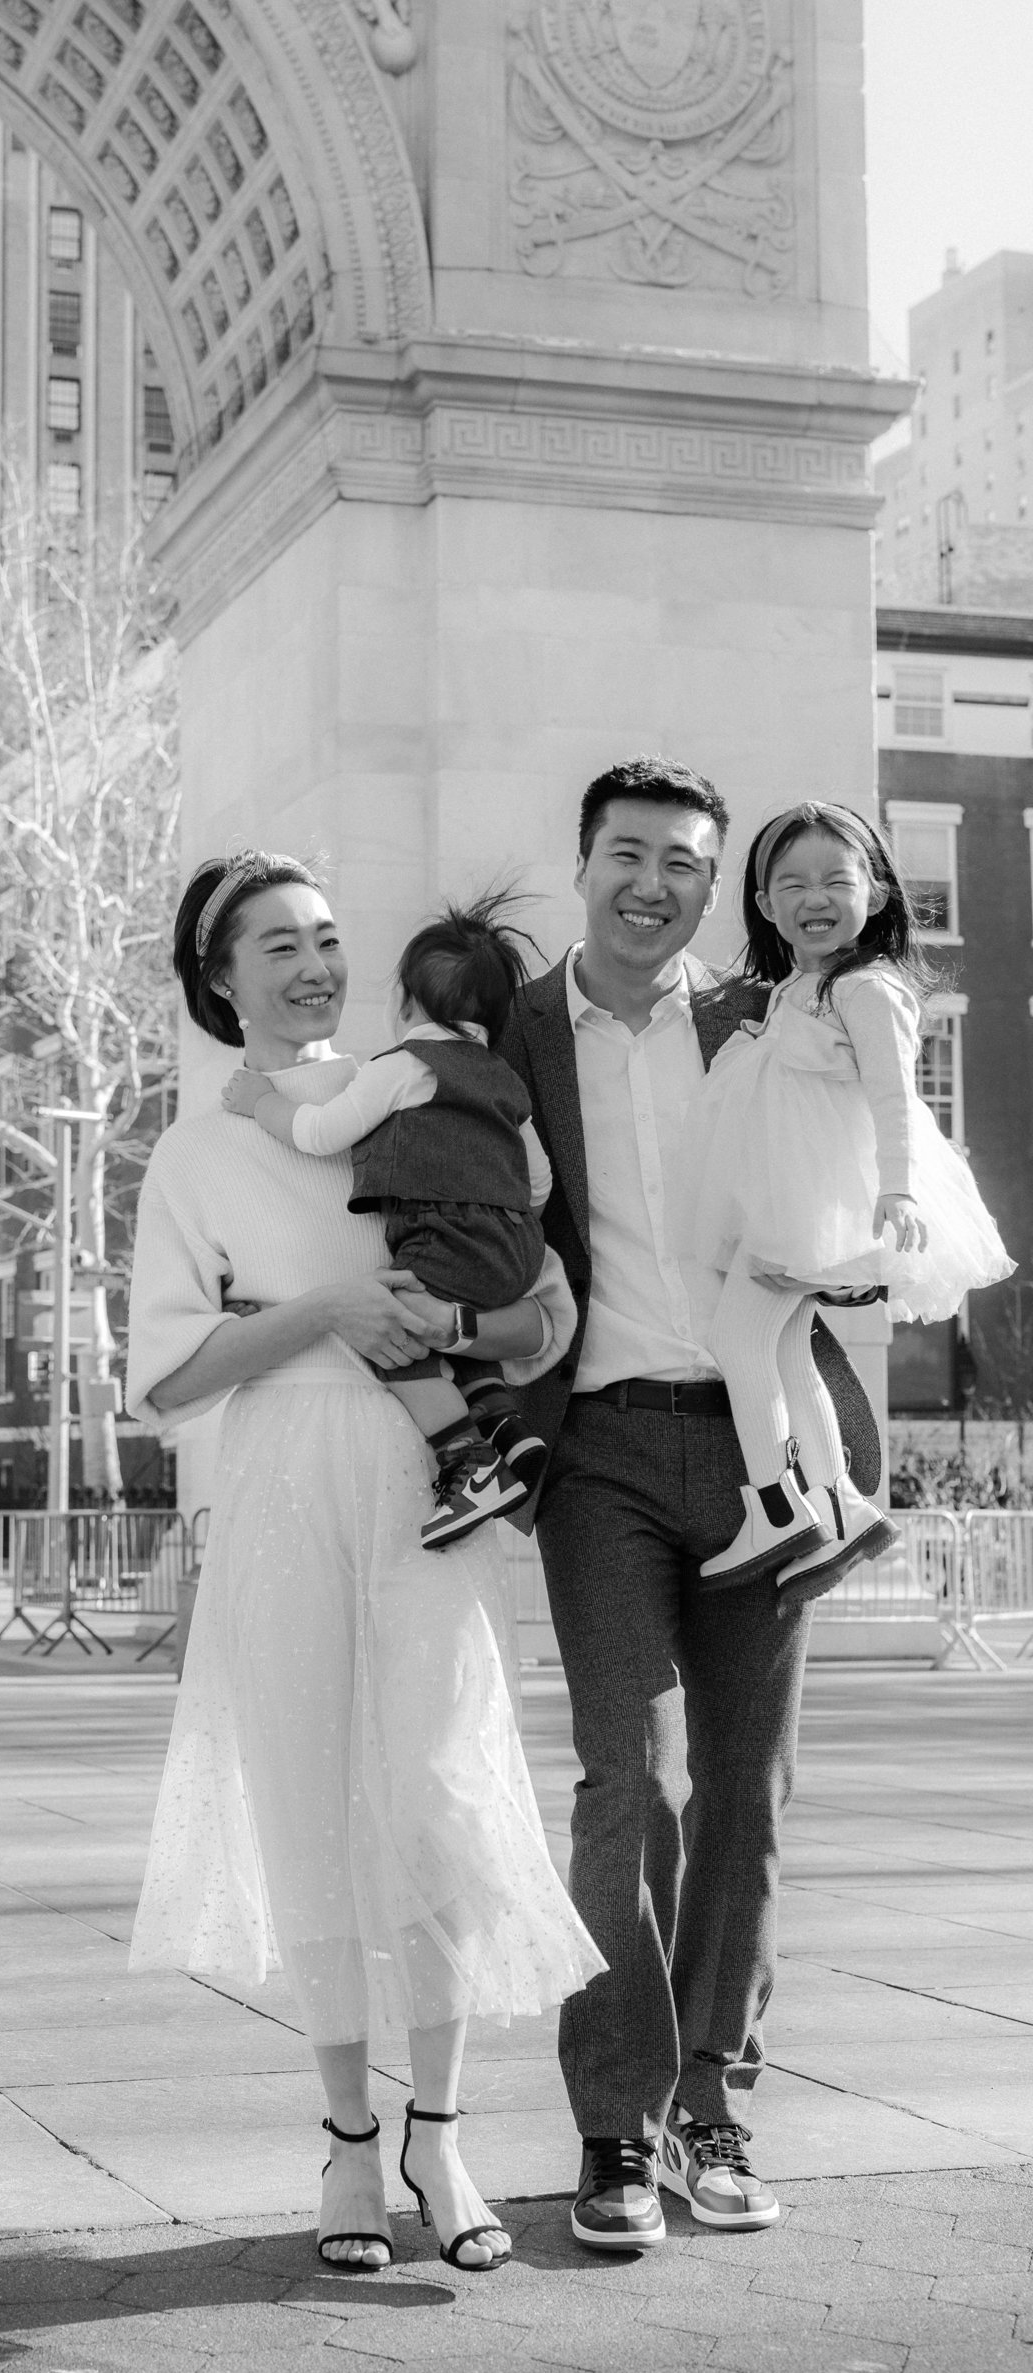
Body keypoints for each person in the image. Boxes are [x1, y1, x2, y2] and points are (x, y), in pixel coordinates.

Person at [127, 850, 606, 2276]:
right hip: (284, 1475)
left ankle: (441, 2135)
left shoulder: (429, 1083)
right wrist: (327, 1308)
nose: (311, 963)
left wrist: (453, 1336)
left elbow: (549, 1312)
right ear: (222, 979)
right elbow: (171, 1374)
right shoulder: (200, 1147)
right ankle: (347, 2141)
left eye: (328, 937)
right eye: (275, 945)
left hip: (428, 1479)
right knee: (309, 1801)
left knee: (440, 1788)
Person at [497, 760, 881, 2252]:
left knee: (745, 1790)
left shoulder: (760, 1016)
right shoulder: (513, 1033)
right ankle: (616, 2123)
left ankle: (714, 2102)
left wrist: (860, 1254)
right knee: (625, 1785)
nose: (658, 885)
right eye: (632, 856)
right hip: (596, 1455)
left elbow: (858, 1161)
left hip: (761, 1444)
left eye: (687, 866)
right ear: (585, 860)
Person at [680, 804, 1013, 1589]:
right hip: (784, 1195)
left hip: (810, 1200)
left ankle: (776, 1506)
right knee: (785, 1345)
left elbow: (898, 1098)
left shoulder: (867, 988)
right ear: (765, 904)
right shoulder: (804, 984)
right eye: (790, 884)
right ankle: (839, 1505)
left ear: (878, 893)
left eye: (837, 879)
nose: (814, 898)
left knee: (738, 1341)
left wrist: (898, 1190)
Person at [220, 894, 572, 1550]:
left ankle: (469, 1464)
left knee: (393, 1339)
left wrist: (263, 1100)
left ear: (406, 1002)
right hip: (517, 1248)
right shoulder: (504, 1081)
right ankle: (508, 1429)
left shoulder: (405, 1068)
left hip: (448, 1241)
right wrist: (503, 1218)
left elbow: (322, 1132)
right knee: (449, 1342)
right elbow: (540, 1181)